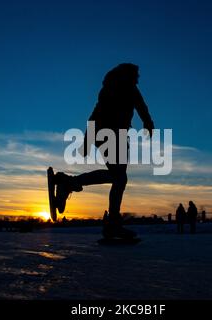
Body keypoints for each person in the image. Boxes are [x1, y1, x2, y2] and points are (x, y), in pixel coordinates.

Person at [52, 64, 154, 239]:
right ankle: (69, 184)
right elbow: (97, 114)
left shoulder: (124, 88)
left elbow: (139, 106)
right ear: (127, 75)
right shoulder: (117, 89)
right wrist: (87, 139)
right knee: (119, 177)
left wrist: (147, 122)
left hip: (116, 135)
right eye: (135, 75)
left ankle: (69, 184)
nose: (138, 79)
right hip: (109, 135)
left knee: (119, 177)